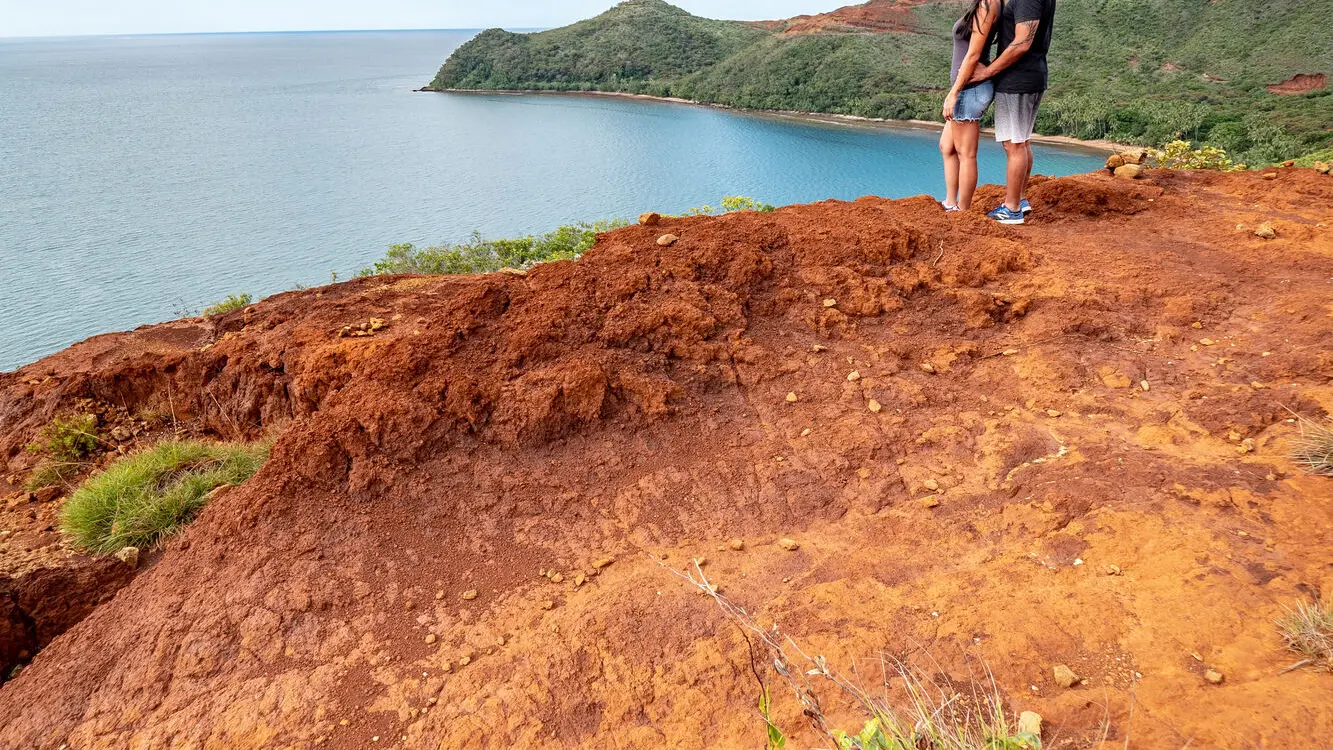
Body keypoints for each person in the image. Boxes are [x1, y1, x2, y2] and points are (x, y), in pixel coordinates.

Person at [969, 0, 1057, 225]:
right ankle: (1021, 199)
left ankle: (1012, 208)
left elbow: (1022, 43)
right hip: (1032, 75)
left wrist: (987, 72)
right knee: (1023, 141)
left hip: (1017, 79)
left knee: (1014, 144)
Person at [939, 0, 1000, 212]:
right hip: (967, 88)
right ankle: (950, 202)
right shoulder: (983, 5)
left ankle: (962, 211)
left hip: (970, 89)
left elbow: (973, 54)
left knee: (966, 154)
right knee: (947, 146)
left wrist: (954, 92)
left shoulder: (988, 4)